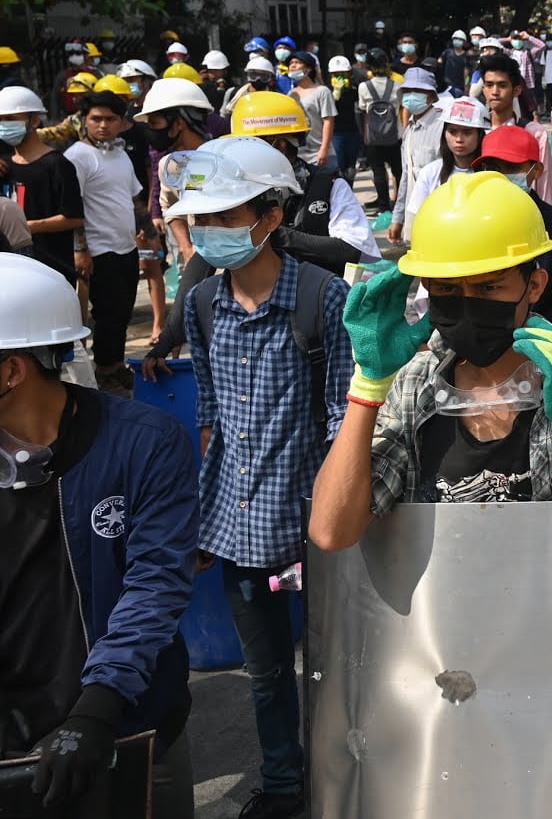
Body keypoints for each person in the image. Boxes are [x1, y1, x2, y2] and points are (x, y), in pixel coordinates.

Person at [306, 172, 552, 589]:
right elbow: (332, 531)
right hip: (437, 632)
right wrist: (369, 386)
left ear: (533, 285)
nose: (466, 304)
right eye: (447, 288)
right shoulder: (413, 387)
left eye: (488, 287)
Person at [169, 135, 354, 819]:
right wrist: (204, 512)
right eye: (201, 219)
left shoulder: (322, 300)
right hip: (237, 522)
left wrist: (333, 515)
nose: (210, 232)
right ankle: (284, 782)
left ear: (270, 216)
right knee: (268, 669)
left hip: (315, 522)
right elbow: (211, 411)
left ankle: (343, 773)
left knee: (338, 660)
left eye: (225, 216)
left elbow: (342, 417)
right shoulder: (203, 306)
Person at [0, 254, 199, 819]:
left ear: (12, 370)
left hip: (125, 729)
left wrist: (97, 709)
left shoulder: (144, 443)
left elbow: (156, 583)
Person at [229, 91, 379, 272]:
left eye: (248, 145)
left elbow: (352, 248)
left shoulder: (329, 186)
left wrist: (274, 233)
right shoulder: (235, 188)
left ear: (280, 145)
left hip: (315, 294)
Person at [63, 87, 145, 394]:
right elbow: (73, 207)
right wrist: (81, 249)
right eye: (96, 118)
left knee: (123, 312)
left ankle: (113, 365)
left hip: (126, 246)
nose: (103, 125)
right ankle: (106, 372)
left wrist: (149, 234)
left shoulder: (119, 153)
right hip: (99, 250)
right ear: (84, 119)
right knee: (108, 315)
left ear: (121, 123)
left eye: (110, 119)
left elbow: (134, 197)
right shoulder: (78, 157)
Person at [473, 124, 552, 333]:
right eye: (493, 169)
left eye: (512, 168)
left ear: (536, 171)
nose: (502, 177)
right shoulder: (466, 221)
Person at [0, 85, 85, 285]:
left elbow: (74, 218)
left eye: (11, 119)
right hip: (12, 270)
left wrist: (28, 227)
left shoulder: (57, 164)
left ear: (35, 121)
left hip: (51, 269)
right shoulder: (4, 164)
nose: (3, 125)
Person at [475, 53, 552, 207]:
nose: (494, 91)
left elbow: (545, 186)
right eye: (489, 85)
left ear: (517, 90)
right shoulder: (475, 132)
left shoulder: (534, 133)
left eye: (502, 85)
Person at [400, 95, 490, 233]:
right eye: (452, 132)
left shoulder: (491, 173)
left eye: (467, 132)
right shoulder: (430, 173)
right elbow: (414, 223)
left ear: (480, 135)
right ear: (444, 134)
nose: (459, 139)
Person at [385, 67, 443, 245]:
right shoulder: (409, 129)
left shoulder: (444, 127)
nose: (411, 95)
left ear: (431, 96)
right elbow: (406, 176)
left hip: (440, 213)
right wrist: (398, 217)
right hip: (415, 211)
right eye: (407, 91)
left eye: (418, 91)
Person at [356, 49, 402, 215]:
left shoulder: (364, 87)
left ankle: (383, 207)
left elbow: (363, 109)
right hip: (395, 136)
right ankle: (399, 203)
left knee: (378, 171)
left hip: (373, 137)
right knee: (398, 171)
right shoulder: (397, 86)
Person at [283, 51, 335, 168]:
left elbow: (328, 121)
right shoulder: (291, 94)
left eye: (297, 62)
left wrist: (324, 149)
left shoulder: (322, 91)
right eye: (291, 63)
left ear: (309, 68)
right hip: (299, 154)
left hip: (319, 153)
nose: (293, 66)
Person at [325, 54, 362, 180]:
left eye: (343, 73)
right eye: (336, 74)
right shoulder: (327, 90)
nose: (340, 77)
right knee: (339, 167)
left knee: (350, 169)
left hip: (353, 131)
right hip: (336, 134)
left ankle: (349, 195)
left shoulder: (354, 89)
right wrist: (335, 95)